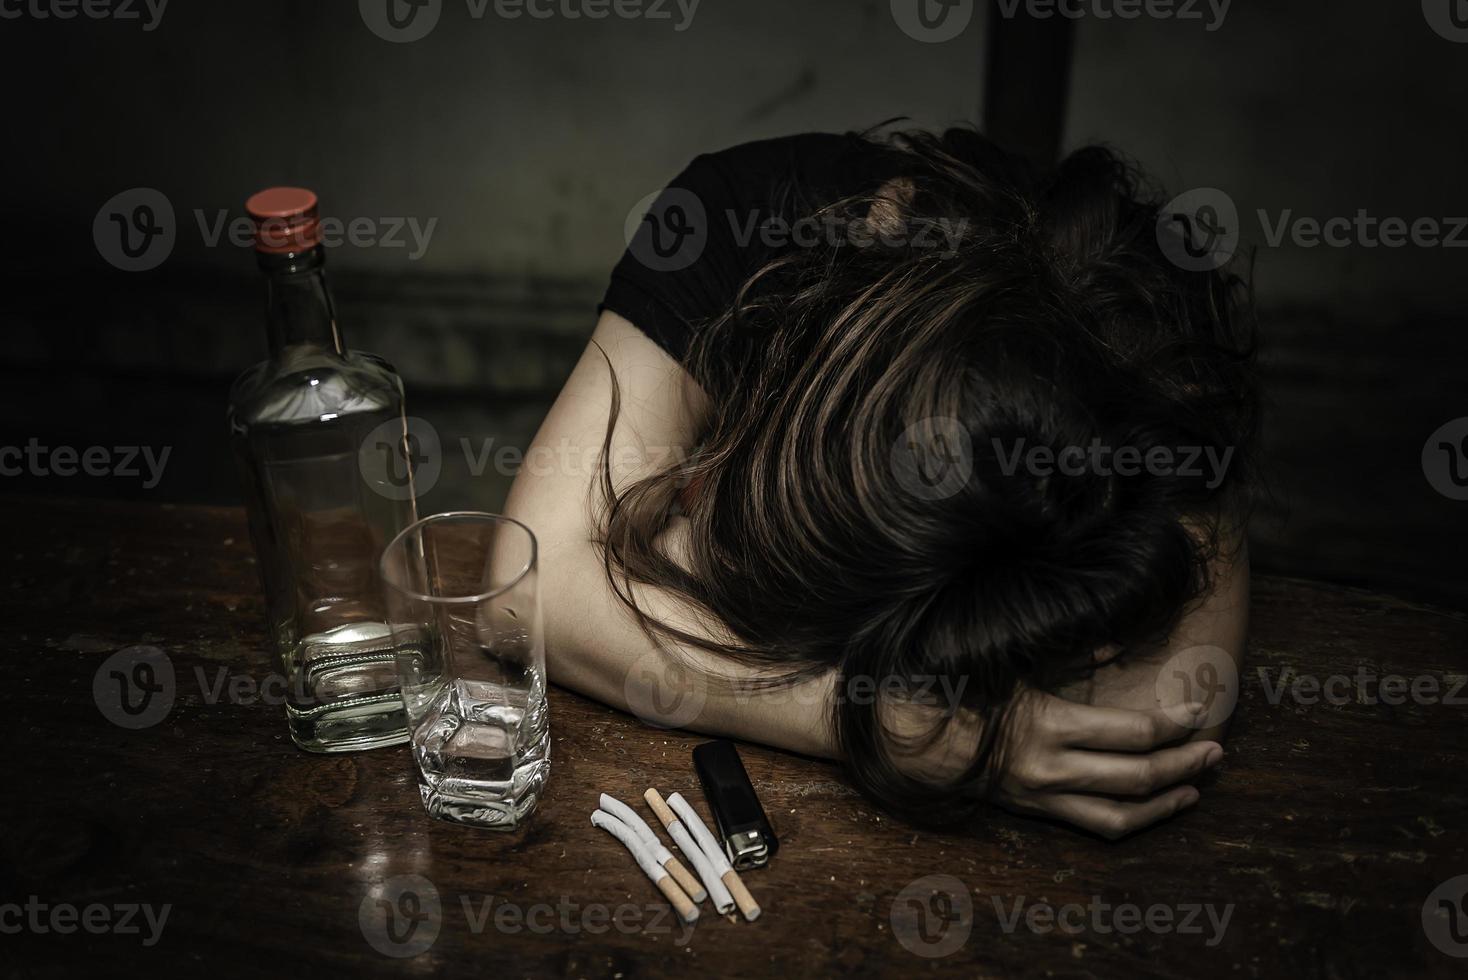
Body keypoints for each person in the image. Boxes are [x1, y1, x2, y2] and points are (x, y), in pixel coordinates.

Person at [502, 127, 1257, 837]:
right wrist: (887, 723)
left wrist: (673, 574)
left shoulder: (1147, 327)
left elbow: (1161, 719)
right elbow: (527, 592)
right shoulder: (731, 221)